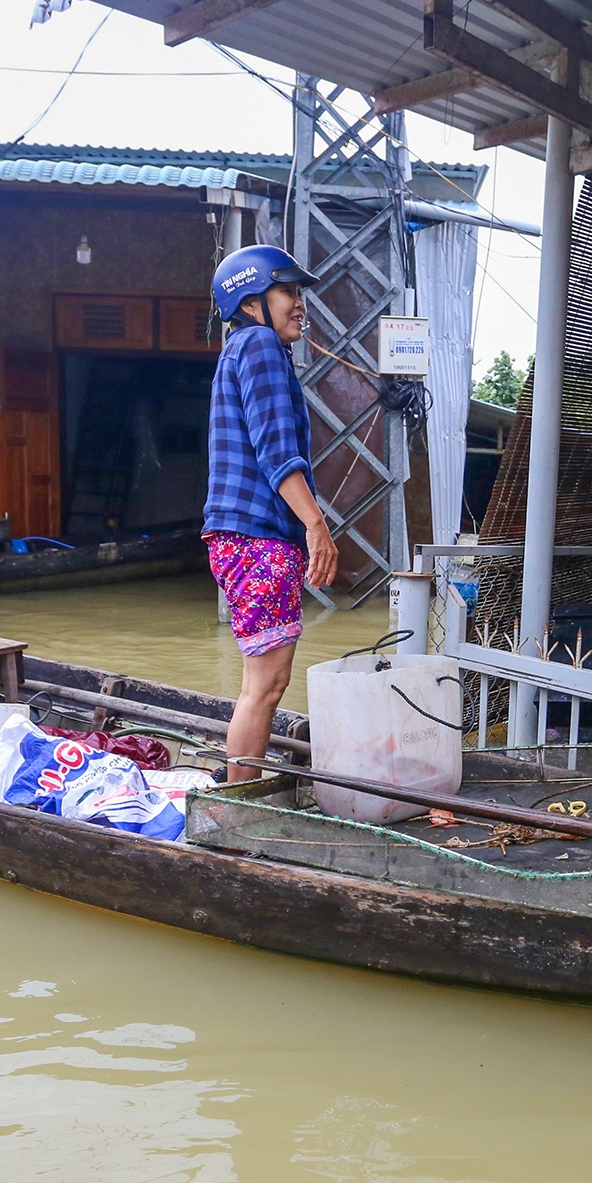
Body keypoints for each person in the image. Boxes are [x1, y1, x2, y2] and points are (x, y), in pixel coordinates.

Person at [205, 245, 338, 781]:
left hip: (242, 538)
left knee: (259, 685)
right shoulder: (259, 345)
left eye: (299, 293)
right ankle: (239, 804)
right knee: (266, 687)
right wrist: (316, 525)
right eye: (287, 292)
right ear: (250, 302)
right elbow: (277, 452)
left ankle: (237, 790)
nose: (300, 304)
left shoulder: (244, 349)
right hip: (258, 539)